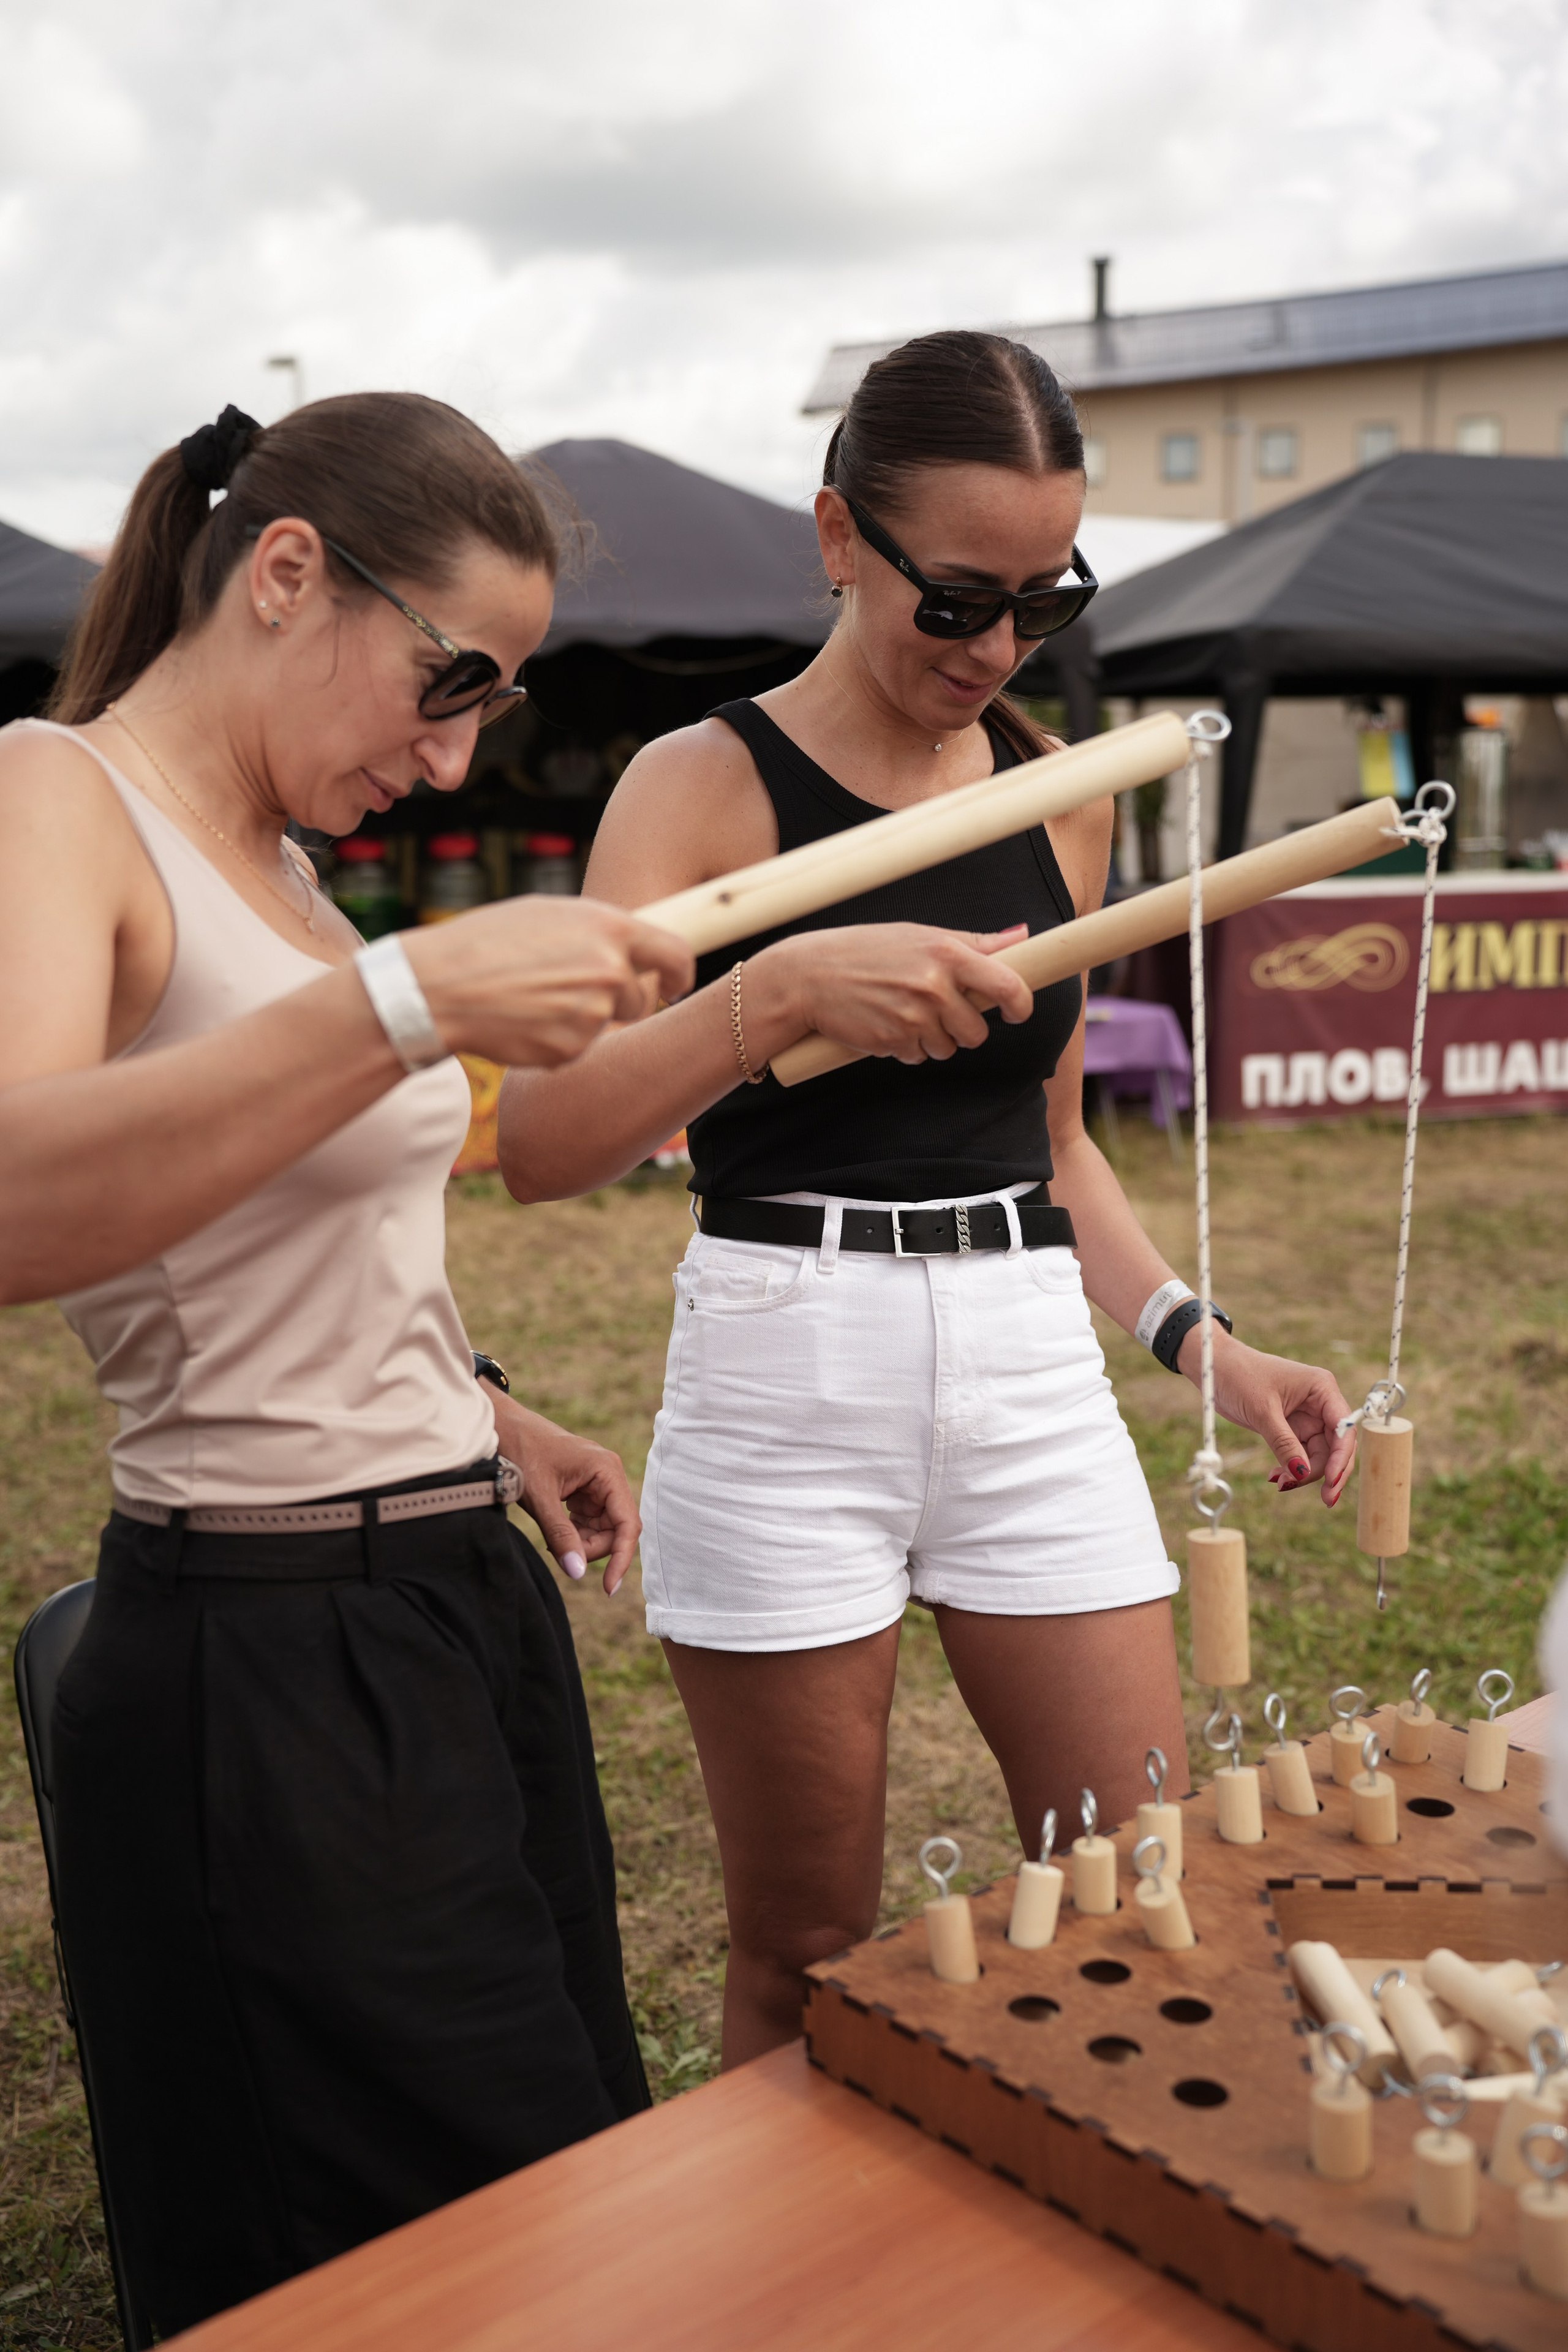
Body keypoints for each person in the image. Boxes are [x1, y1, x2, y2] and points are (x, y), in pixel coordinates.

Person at [497, 330, 1359, 2069]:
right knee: (803, 1950)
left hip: (1026, 1360)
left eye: (1048, 601)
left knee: (1134, 1897)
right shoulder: (700, 783)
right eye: (958, 598)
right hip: (784, 1361)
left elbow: (1056, 1147)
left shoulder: (1062, 797)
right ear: (839, 535)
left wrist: (1202, 1341)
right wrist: (778, 995)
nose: (996, 647)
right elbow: (544, 1140)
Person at [0, 395, 693, 2335]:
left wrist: (482, 1409)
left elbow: (273, 1241)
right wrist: (411, 996)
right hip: (267, 1653)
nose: (456, 751)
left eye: (495, 704)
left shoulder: (290, 873)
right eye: (447, 679)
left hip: (447, 1601)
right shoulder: (56, 792)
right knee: (472, 2250)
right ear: (288, 574)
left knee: (568, 2165)